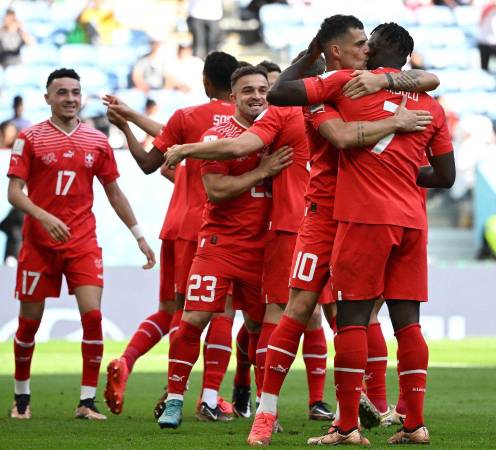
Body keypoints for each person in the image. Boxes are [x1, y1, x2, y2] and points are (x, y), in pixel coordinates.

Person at [266, 20, 455, 445]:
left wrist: (315, 52)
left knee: (351, 321)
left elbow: (278, 94)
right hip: (412, 221)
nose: (363, 50)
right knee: (408, 324)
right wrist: (405, 171)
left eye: (368, 45)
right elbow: (445, 176)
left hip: (366, 217)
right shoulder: (431, 106)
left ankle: (348, 426)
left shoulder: (347, 84)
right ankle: (414, 425)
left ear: (376, 51)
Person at [7, 68, 155, 420]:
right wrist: (44, 216)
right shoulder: (29, 138)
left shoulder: (97, 142)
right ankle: (21, 397)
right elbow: (14, 193)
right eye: (62, 93)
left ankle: (86, 402)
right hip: (38, 244)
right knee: (29, 323)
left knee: (92, 317)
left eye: (75, 92)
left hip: (82, 242)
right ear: (47, 98)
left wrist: (139, 236)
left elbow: (114, 192)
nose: (70, 98)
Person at [102, 52, 240, 421]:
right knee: (222, 312)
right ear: (238, 83)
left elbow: (154, 164)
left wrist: (128, 125)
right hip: (218, 231)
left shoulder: (187, 118)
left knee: (173, 312)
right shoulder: (249, 121)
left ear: (206, 82)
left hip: (176, 227)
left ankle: (131, 363)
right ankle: (208, 397)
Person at [156, 65, 293, 430]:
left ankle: (265, 408)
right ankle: (173, 401)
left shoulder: (278, 132)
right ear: (233, 97)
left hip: (265, 249)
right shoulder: (218, 135)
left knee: (261, 327)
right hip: (220, 244)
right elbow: (215, 190)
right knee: (194, 319)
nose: (257, 96)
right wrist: (261, 172)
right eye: (247, 90)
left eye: (262, 89)